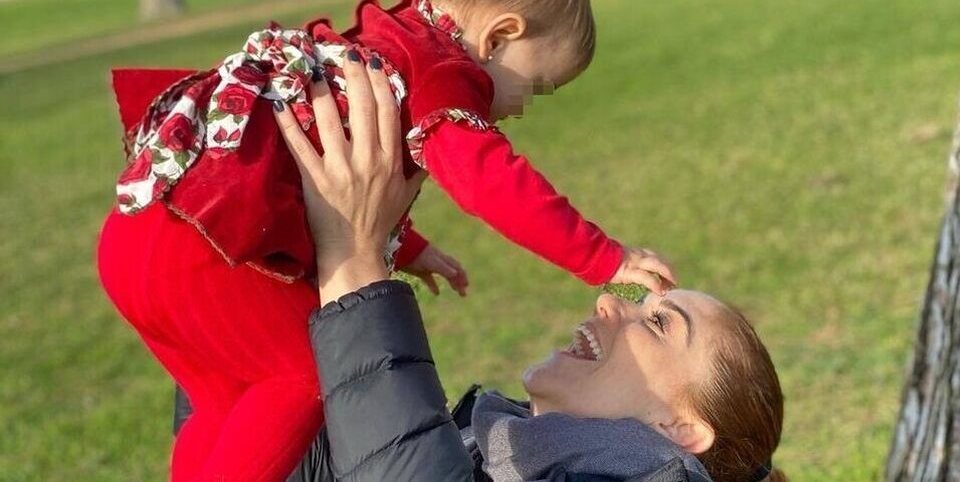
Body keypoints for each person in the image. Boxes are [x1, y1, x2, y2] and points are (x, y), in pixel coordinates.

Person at [98, 0, 678, 482]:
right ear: (499, 37)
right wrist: (603, 257)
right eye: (535, 87)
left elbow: (334, 167)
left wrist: (412, 247)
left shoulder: (388, 41)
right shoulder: (444, 73)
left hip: (141, 229)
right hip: (205, 254)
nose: (517, 110)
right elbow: (490, 181)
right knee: (306, 378)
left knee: (224, 403)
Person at [173, 63, 788, 482]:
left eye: (658, 324)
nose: (609, 303)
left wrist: (355, 261)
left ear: (680, 429)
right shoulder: (493, 450)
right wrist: (260, 247)